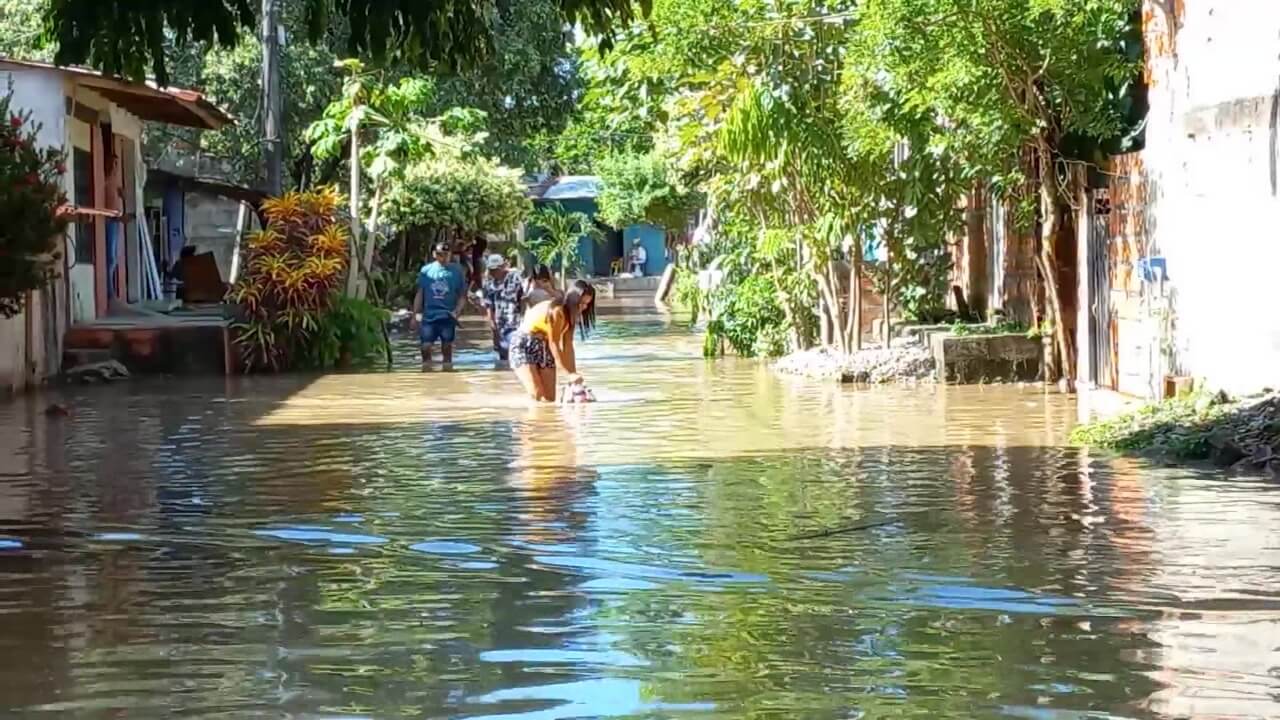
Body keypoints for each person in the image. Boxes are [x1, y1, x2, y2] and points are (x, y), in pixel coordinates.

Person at [509, 280, 596, 402]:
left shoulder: (572, 315)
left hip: (545, 347)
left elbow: (568, 346)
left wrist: (573, 375)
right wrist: (567, 373)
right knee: (537, 394)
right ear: (572, 299)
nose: (583, 307)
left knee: (549, 399)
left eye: (587, 304)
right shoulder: (557, 311)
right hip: (524, 344)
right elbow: (553, 343)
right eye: (581, 303)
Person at [412, 242, 466, 366]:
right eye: (440, 254)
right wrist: (414, 315)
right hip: (429, 316)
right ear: (434, 254)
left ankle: (447, 373)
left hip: (447, 316)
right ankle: (427, 371)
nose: (443, 257)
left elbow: (463, 296)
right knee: (425, 347)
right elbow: (420, 293)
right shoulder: (426, 271)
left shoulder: (457, 271)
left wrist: (457, 311)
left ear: (450, 254)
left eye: (446, 254)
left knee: (447, 348)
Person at [482, 253, 524, 365]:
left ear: (503, 267)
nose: (493, 273)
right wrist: (493, 330)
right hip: (501, 328)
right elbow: (489, 307)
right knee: (503, 359)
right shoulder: (488, 284)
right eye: (491, 270)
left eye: (495, 269)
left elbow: (525, 300)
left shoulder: (516, 278)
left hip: (516, 325)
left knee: (516, 357)